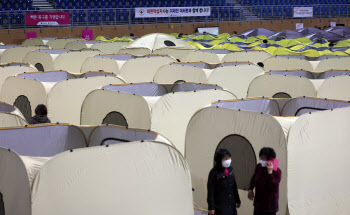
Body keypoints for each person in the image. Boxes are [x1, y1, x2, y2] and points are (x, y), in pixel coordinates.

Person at [248, 147, 281, 215]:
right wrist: (250, 189)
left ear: (270, 159)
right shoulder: (259, 167)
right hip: (258, 205)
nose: (261, 160)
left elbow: (274, 187)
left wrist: (270, 173)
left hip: (270, 207)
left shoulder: (277, 171)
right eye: (260, 157)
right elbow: (254, 178)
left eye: (263, 158)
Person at [207, 149, 241, 215]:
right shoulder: (214, 173)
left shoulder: (230, 170)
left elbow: (234, 187)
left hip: (231, 205)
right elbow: (210, 191)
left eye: (229, 158)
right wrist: (211, 207)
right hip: (219, 207)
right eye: (225, 159)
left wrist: (237, 200)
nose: (228, 160)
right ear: (219, 160)